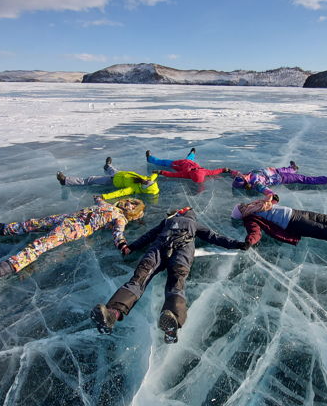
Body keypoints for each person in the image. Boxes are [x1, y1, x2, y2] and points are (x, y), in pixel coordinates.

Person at [90, 206, 248, 343]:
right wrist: (238, 244)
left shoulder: (166, 222)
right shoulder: (195, 224)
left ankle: (113, 313)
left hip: (159, 247)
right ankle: (172, 322)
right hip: (183, 250)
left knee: (139, 279)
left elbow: (148, 236)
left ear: (180, 213)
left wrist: (131, 247)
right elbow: (215, 238)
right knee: (176, 283)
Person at [0, 197, 146, 290]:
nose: (129, 203)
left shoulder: (120, 218)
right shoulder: (111, 206)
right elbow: (98, 200)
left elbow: (117, 234)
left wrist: (123, 246)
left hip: (74, 228)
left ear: (133, 212)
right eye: (131, 201)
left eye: (133, 205)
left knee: (39, 246)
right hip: (66, 218)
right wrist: (99, 198)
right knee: (31, 224)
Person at [231, 201, 327, 256]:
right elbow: (255, 232)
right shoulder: (250, 218)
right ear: (242, 213)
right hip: (293, 223)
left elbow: (273, 201)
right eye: (241, 207)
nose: (244, 205)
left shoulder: (257, 205)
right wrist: (249, 242)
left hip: (296, 213)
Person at [56, 157, 159, 199]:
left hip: (112, 180)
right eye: (148, 181)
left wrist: (105, 197)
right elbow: (152, 176)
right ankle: (107, 166)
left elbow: (120, 193)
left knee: (90, 180)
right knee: (112, 170)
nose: (146, 180)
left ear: (145, 187)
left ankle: (65, 181)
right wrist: (158, 172)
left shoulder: (133, 188)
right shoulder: (148, 180)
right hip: (120, 174)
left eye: (146, 183)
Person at [230, 162, 327, 200]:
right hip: (280, 178)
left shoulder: (246, 175)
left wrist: (227, 171)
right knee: (302, 178)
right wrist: (272, 194)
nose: (243, 176)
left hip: (273, 171)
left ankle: (293, 167)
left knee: (288, 169)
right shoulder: (255, 183)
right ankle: (325, 179)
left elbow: (237, 173)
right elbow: (264, 189)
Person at [146, 147, 231, 183]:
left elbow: (172, 174)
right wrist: (224, 169)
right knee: (189, 158)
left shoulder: (186, 174)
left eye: (195, 171)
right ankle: (192, 153)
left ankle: (150, 158)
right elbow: (215, 172)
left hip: (179, 164)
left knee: (164, 162)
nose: (196, 170)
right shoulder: (205, 171)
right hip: (188, 162)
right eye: (197, 170)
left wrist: (161, 172)